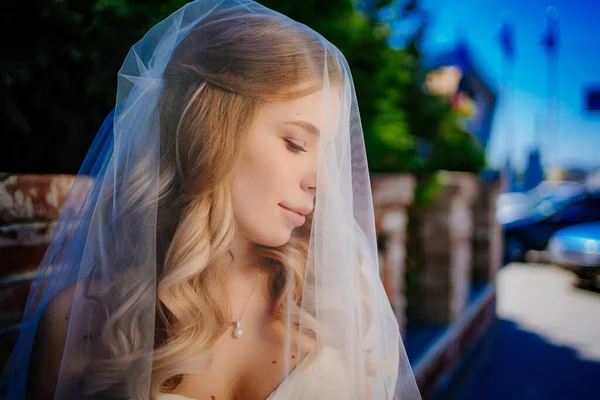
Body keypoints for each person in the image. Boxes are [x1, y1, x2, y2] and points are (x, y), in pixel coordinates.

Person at [3, 1, 421, 399]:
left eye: (327, 152)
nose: (322, 183)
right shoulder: (81, 322)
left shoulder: (341, 309)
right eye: (296, 143)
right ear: (210, 132)